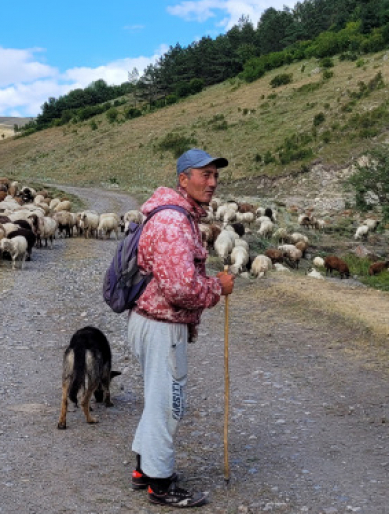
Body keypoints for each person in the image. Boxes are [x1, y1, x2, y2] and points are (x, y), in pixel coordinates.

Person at [127, 148, 235, 508]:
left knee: (156, 400)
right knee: (168, 405)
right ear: (183, 179)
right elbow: (180, 288)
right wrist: (217, 288)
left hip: (147, 320)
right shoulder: (174, 222)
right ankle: (161, 483)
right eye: (204, 175)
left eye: (215, 176)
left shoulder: (170, 214)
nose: (212, 182)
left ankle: (145, 468)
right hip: (162, 327)